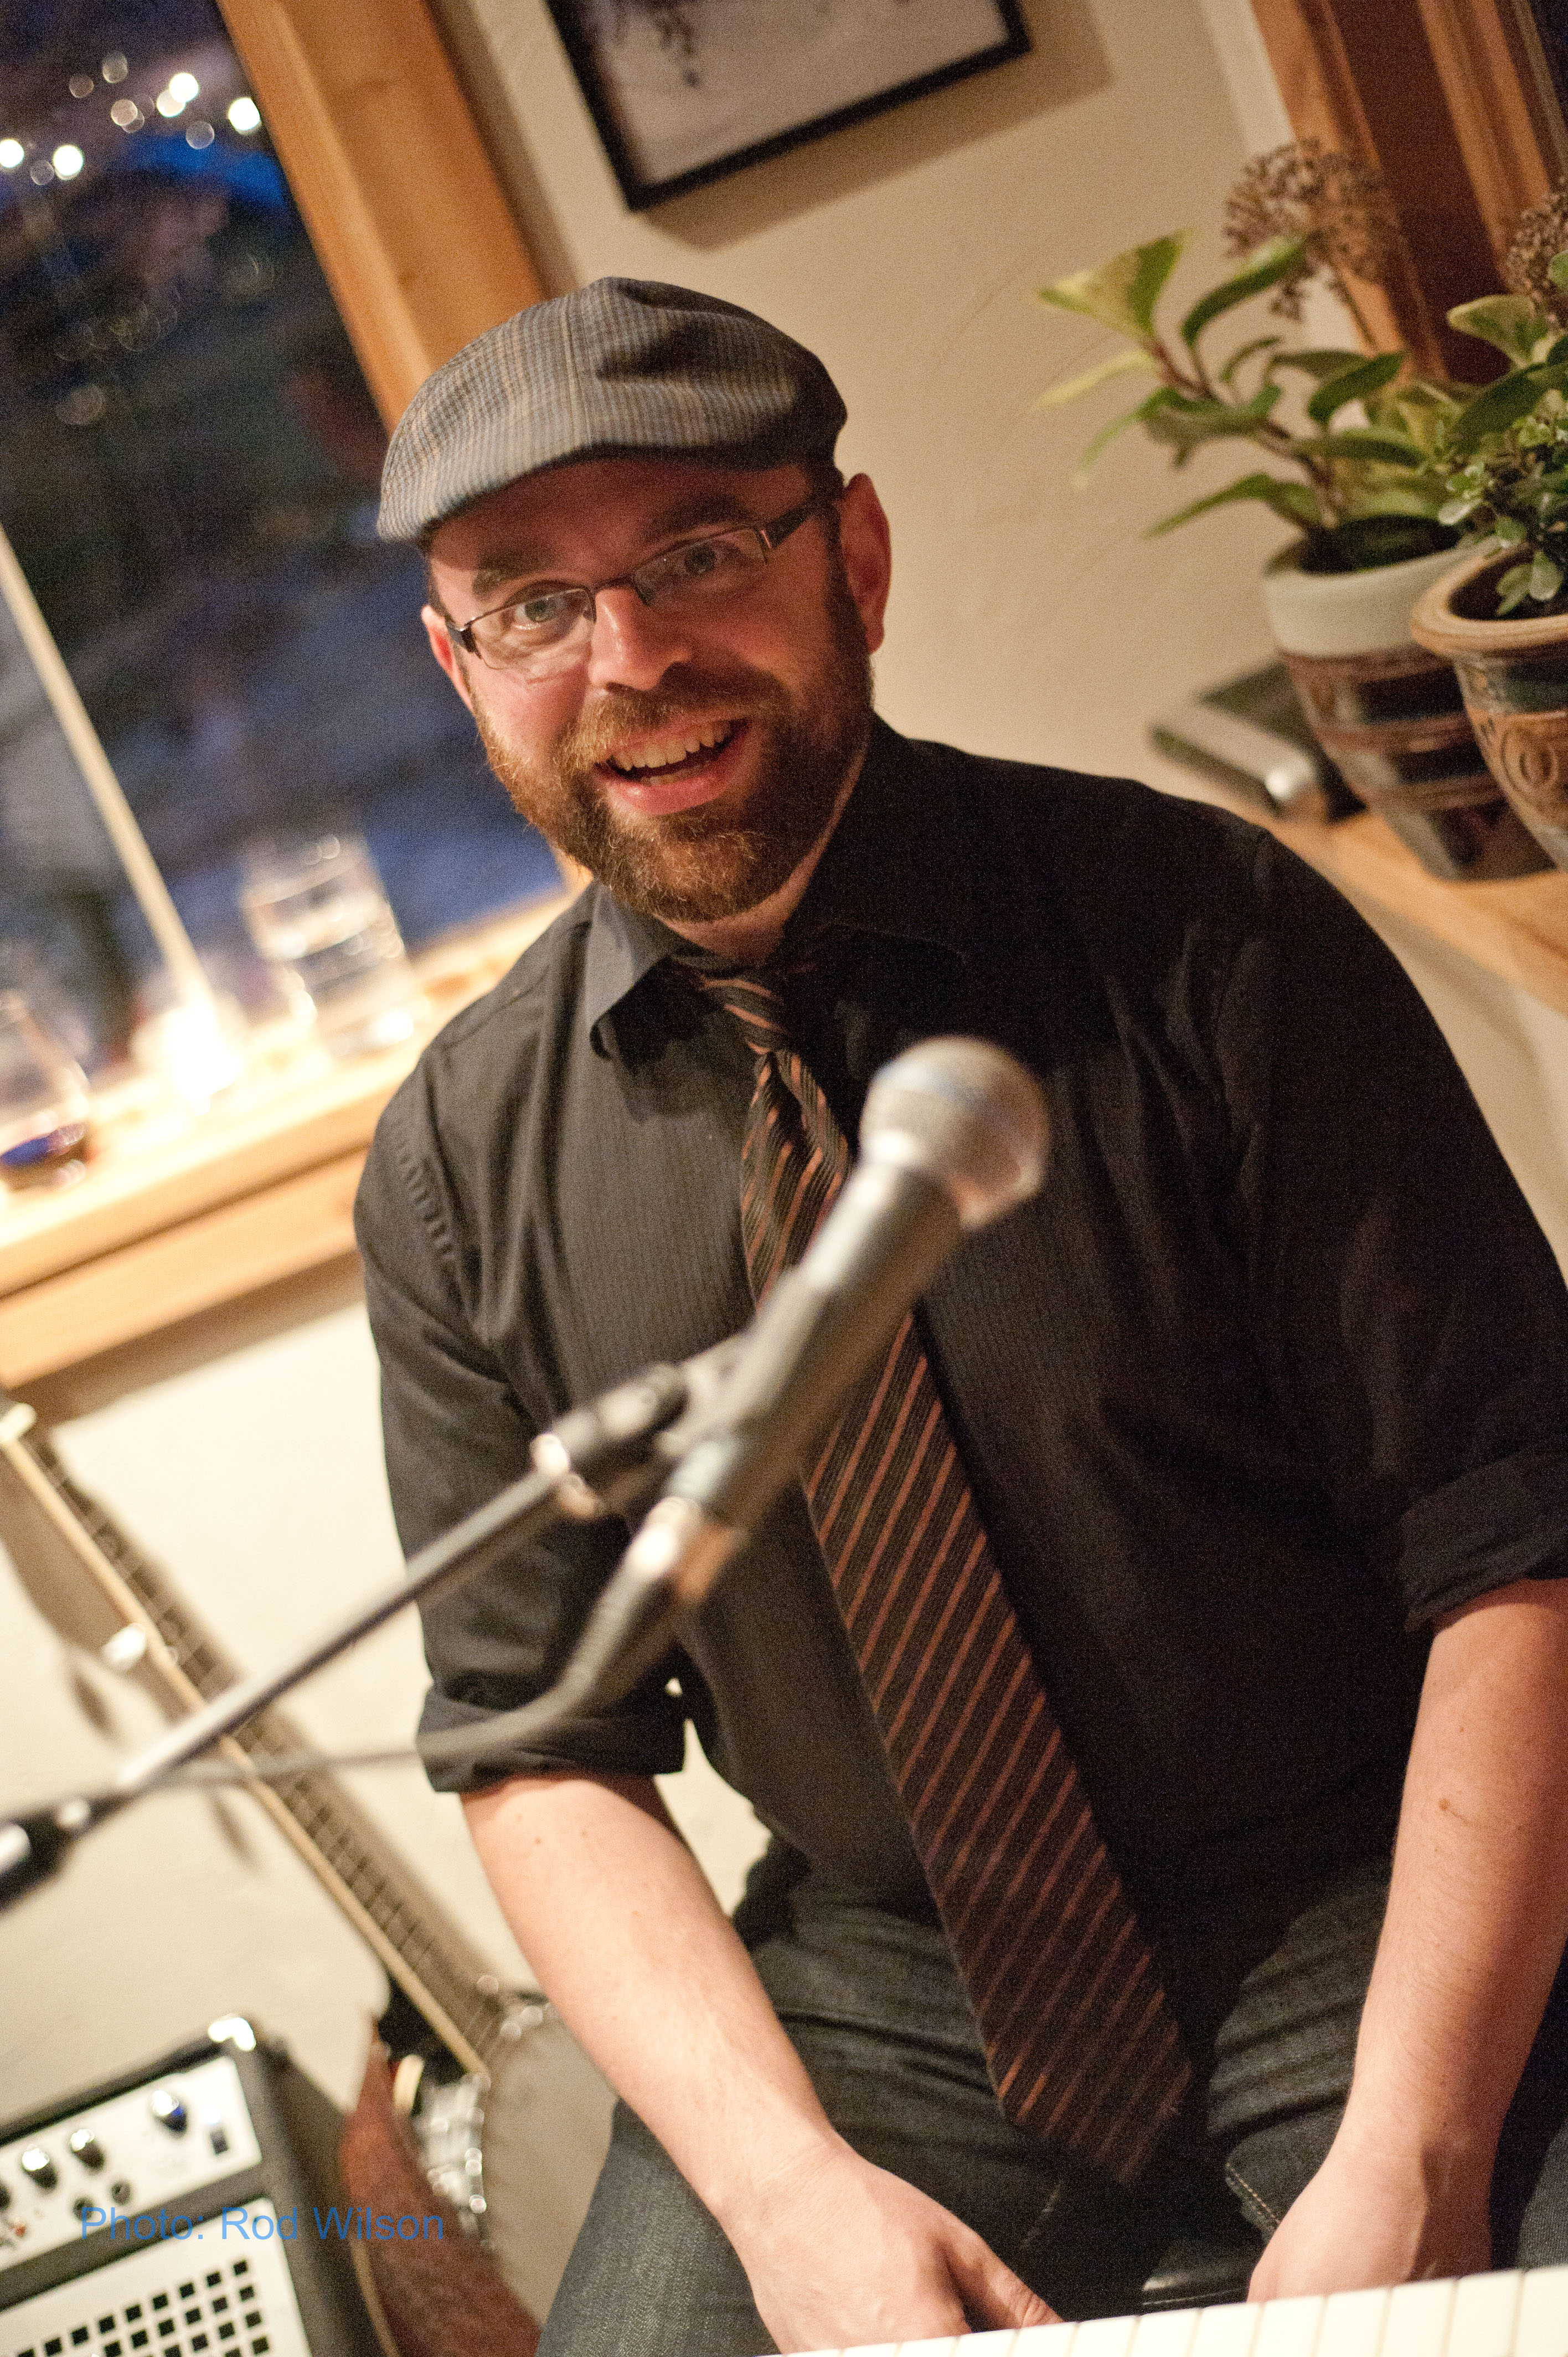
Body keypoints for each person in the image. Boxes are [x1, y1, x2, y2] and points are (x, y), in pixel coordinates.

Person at [355, 279, 1568, 2357]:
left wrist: (1420, 2137)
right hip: (891, 1980)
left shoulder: (1216, 939)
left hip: (1372, 1875)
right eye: (535, 606)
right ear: (461, 669)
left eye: (699, 554)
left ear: (858, 557)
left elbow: (1516, 1544)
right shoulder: (457, 1169)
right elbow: (538, 1749)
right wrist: (782, 2189)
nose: (630, 660)